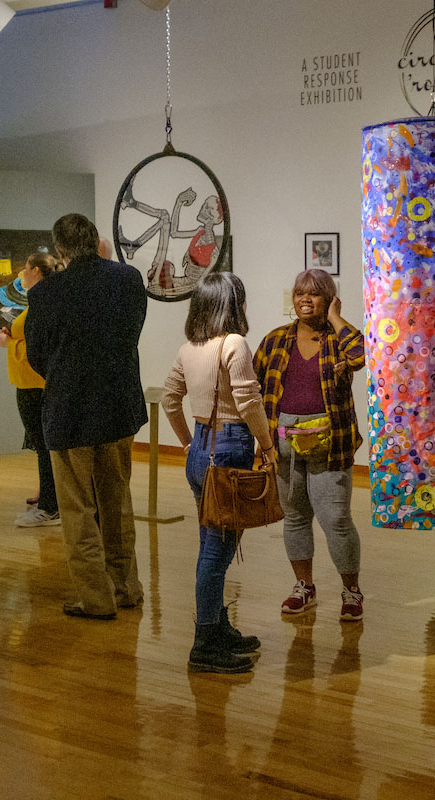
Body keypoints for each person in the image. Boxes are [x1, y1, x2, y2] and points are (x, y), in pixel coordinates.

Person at [25, 213, 147, 620]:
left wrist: (65, 376)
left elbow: (38, 356)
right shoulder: (128, 281)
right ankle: (126, 586)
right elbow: (132, 335)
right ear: (96, 240)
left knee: (77, 510)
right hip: (117, 407)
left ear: (60, 251)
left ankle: (95, 598)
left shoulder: (46, 294)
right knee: (118, 501)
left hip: (69, 412)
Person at [163, 272, 279, 673]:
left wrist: (187, 443)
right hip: (230, 449)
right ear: (233, 305)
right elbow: (249, 402)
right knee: (218, 550)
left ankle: (217, 625)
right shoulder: (234, 344)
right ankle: (205, 641)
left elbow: (169, 399)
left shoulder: (188, 348)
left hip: (200, 450)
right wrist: (267, 447)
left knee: (210, 543)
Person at [255, 269, 365, 620]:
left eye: (315, 294)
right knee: (295, 517)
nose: (305, 299)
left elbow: (362, 355)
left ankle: (351, 591)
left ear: (329, 298)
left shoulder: (338, 338)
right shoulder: (275, 340)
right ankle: (304, 587)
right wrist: (260, 441)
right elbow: (254, 388)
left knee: (336, 519)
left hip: (330, 445)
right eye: (300, 293)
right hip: (283, 442)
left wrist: (335, 317)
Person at [0, 253, 61, 527]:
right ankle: (48, 500)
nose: (21, 273)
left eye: (25, 268)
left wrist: (6, 342)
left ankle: (50, 508)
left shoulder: (42, 302)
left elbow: (38, 347)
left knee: (44, 447)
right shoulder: (42, 300)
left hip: (35, 385)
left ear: (35, 270)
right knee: (43, 447)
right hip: (31, 384)